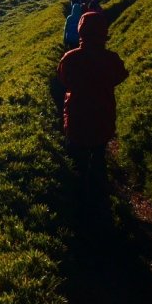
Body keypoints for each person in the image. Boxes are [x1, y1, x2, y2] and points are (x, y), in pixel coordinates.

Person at [57, 11, 128, 196]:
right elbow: (121, 75)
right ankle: (101, 196)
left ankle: (80, 201)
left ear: (81, 31)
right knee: (98, 156)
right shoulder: (112, 59)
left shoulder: (70, 58)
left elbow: (64, 80)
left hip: (76, 117)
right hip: (102, 116)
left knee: (77, 161)